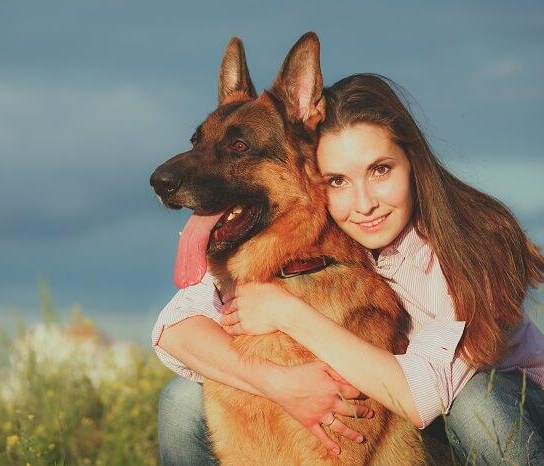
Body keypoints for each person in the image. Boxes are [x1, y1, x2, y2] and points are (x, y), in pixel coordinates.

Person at [152, 74, 544, 466]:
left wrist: (284, 311)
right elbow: (173, 326)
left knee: (479, 405)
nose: (363, 203)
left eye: (380, 170)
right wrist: (279, 384)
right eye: (337, 180)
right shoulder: (321, 232)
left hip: (505, 404)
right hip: (423, 410)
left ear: (413, 162)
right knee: (182, 401)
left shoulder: (474, 241)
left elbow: (421, 395)